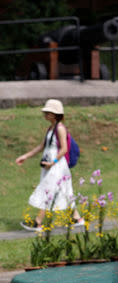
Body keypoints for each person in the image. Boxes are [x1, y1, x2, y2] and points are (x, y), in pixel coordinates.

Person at [15, 99, 84, 231]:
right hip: (50, 164)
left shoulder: (60, 128)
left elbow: (63, 149)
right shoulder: (51, 128)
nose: (45, 114)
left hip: (56, 165)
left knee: (49, 189)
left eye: (48, 112)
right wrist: (26, 156)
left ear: (55, 114)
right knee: (64, 191)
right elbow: (42, 146)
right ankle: (77, 218)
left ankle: (38, 222)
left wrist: (53, 163)